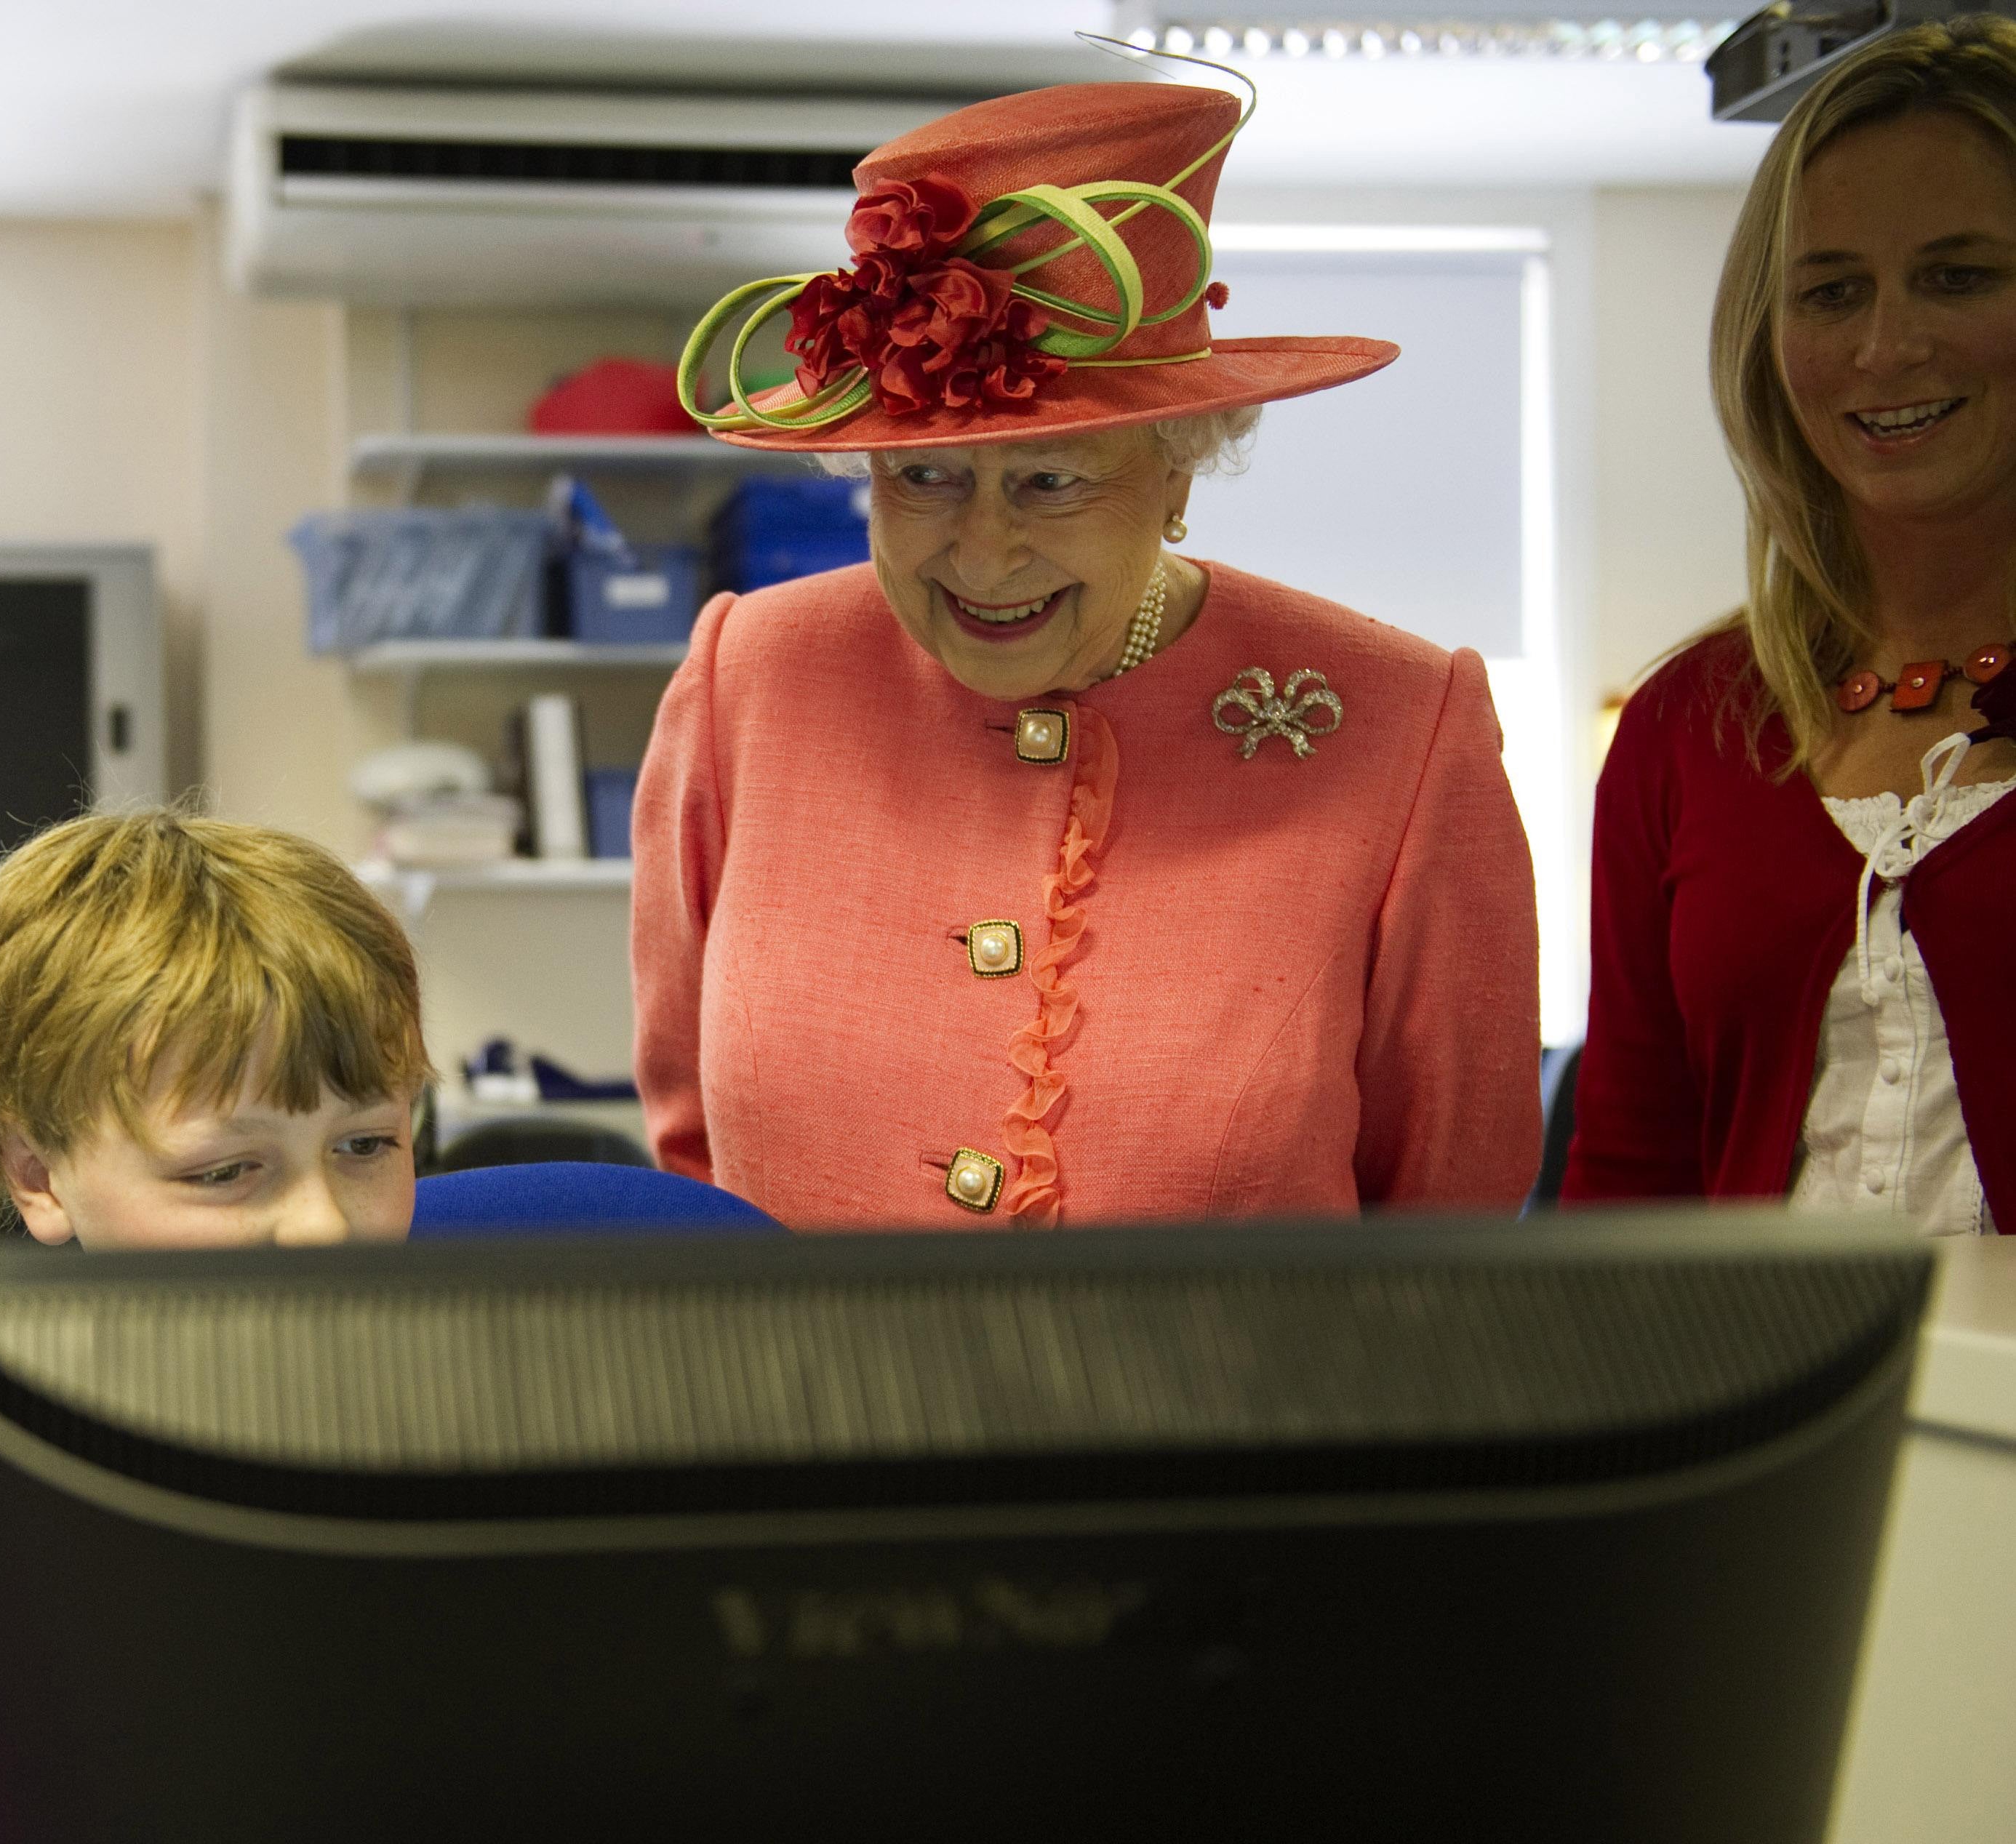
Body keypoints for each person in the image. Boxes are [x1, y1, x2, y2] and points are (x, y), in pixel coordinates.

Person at [635, 76, 1543, 1227]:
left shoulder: (1401, 724)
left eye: (1051, 479)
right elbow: (690, 1158)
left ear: (1180, 465)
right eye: (925, 477)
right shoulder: (746, 678)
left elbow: (1449, 1219)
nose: (982, 549)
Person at [0, 809, 429, 1844]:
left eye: (368, 1146)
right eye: (224, 1171)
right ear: (38, 1175)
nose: (320, 1230)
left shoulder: (543, 1460)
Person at [1564, 19, 2016, 1230]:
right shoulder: (1689, 726)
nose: (1887, 345)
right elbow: (1628, 1174)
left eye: (1959, 275)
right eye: (1831, 292)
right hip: (1777, 1416)